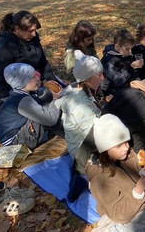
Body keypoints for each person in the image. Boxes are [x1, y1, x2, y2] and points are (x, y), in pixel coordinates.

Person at [55, 50, 104, 202]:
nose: (102, 78)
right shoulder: (79, 104)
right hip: (83, 151)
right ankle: (81, 177)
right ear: (87, 78)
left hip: (88, 142)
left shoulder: (84, 89)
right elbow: (94, 134)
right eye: (99, 75)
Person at [0, 11, 60, 101]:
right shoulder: (3, 47)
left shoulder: (32, 37)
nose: (34, 34)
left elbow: (42, 61)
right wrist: (7, 99)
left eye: (35, 30)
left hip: (37, 83)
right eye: (30, 31)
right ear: (17, 29)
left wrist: (52, 79)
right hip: (19, 92)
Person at [0, 63, 63, 150]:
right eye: (33, 77)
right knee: (43, 117)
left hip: (18, 135)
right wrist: (55, 99)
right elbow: (51, 119)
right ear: (23, 82)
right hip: (14, 144)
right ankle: (67, 134)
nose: (37, 78)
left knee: (43, 109)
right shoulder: (22, 101)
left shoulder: (21, 93)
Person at [101, 29, 142, 96]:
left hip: (129, 89)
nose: (130, 52)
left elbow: (133, 75)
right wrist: (131, 68)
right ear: (117, 46)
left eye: (131, 49)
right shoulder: (108, 60)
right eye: (127, 49)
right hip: (113, 94)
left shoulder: (125, 55)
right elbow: (118, 81)